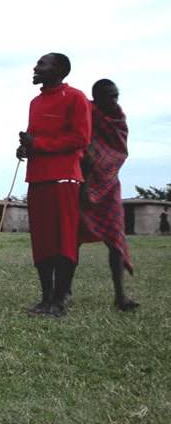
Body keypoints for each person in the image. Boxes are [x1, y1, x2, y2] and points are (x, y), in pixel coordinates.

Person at [17, 53, 91, 317]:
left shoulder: (76, 98)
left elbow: (80, 138)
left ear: (59, 69)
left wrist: (39, 144)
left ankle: (59, 301)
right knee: (43, 241)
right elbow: (36, 138)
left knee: (63, 240)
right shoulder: (35, 102)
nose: (35, 67)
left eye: (42, 64)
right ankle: (45, 298)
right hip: (37, 179)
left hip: (64, 179)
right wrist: (26, 147)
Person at [77, 79, 138, 310]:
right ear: (96, 97)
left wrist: (100, 166)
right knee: (74, 240)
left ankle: (120, 295)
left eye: (115, 96)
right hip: (81, 183)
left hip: (108, 185)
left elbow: (118, 151)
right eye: (108, 97)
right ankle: (65, 291)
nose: (113, 101)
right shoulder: (86, 113)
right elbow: (78, 141)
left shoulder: (118, 119)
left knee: (115, 238)